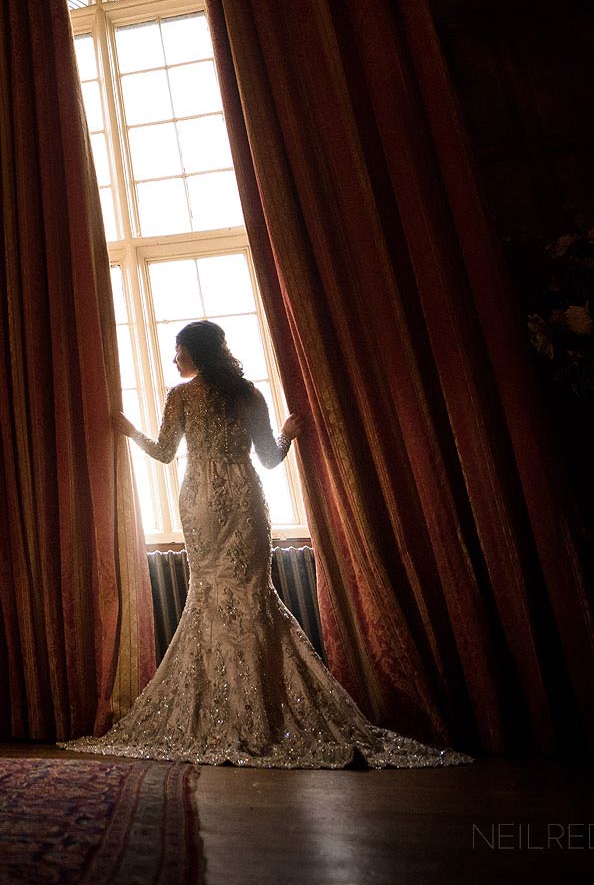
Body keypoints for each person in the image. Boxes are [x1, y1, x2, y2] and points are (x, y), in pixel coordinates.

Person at [62, 320, 470, 769]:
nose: (174, 359)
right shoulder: (246, 394)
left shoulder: (183, 397)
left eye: (178, 350)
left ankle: (238, 712)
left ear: (197, 352)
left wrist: (128, 431)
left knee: (225, 595)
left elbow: (163, 453)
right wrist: (288, 436)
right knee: (244, 596)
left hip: (201, 497)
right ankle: (252, 711)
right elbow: (271, 460)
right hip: (239, 497)